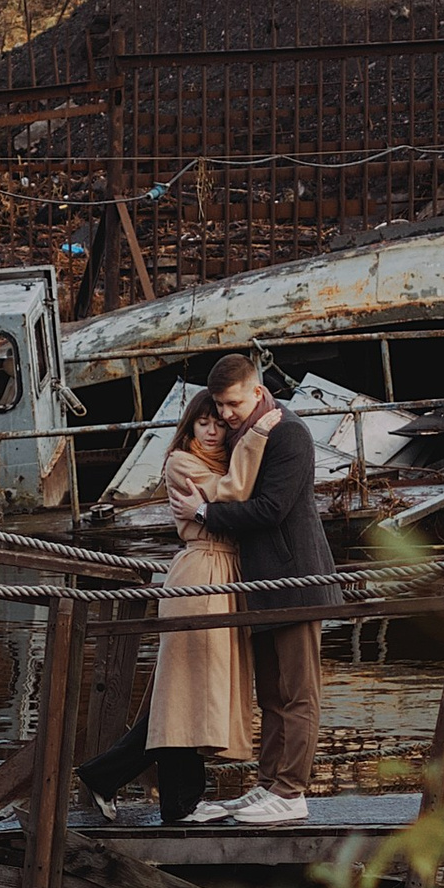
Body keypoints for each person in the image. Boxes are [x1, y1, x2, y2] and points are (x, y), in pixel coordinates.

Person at [78, 390, 264, 825]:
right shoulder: (182, 462)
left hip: (224, 574)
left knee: (187, 695)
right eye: (204, 423)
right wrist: (257, 438)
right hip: (201, 574)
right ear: (189, 427)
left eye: (219, 422)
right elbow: (230, 495)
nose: (214, 430)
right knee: (184, 693)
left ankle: (109, 777)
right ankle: (177, 802)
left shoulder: (221, 461)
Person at [191, 349, 336, 828]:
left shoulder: (288, 432)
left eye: (232, 403)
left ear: (256, 390)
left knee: (299, 692)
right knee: (271, 694)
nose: (225, 414)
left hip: (296, 579)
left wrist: (204, 513)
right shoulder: (245, 434)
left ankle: (293, 792)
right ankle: (270, 783)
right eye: (220, 405)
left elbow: (272, 508)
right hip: (260, 582)